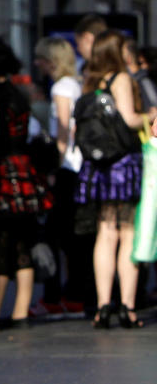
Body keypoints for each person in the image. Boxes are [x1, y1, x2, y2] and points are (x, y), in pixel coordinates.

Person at [0, 38, 52, 330]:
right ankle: (20, 313)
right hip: (25, 173)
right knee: (24, 241)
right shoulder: (20, 95)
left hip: (1, 174)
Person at [74, 30, 146, 328]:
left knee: (104, 233)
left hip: (98, 167)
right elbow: (129, 118)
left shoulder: (90, 81)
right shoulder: (121, 79)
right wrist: (149, 115)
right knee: (127, 234)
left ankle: (102, 306)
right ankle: (127, 307)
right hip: (122, 163)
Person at [30, 36, 92, 319]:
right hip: (78, 166)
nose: (37, 64)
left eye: (41, 58)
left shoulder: (61, 87)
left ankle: (58, 296)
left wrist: (53, 167)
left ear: (51, 60)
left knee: (56, 235)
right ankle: (74, 294)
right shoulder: (76, 84)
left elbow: (65, 131)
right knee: (72, 235)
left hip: (67, 168)